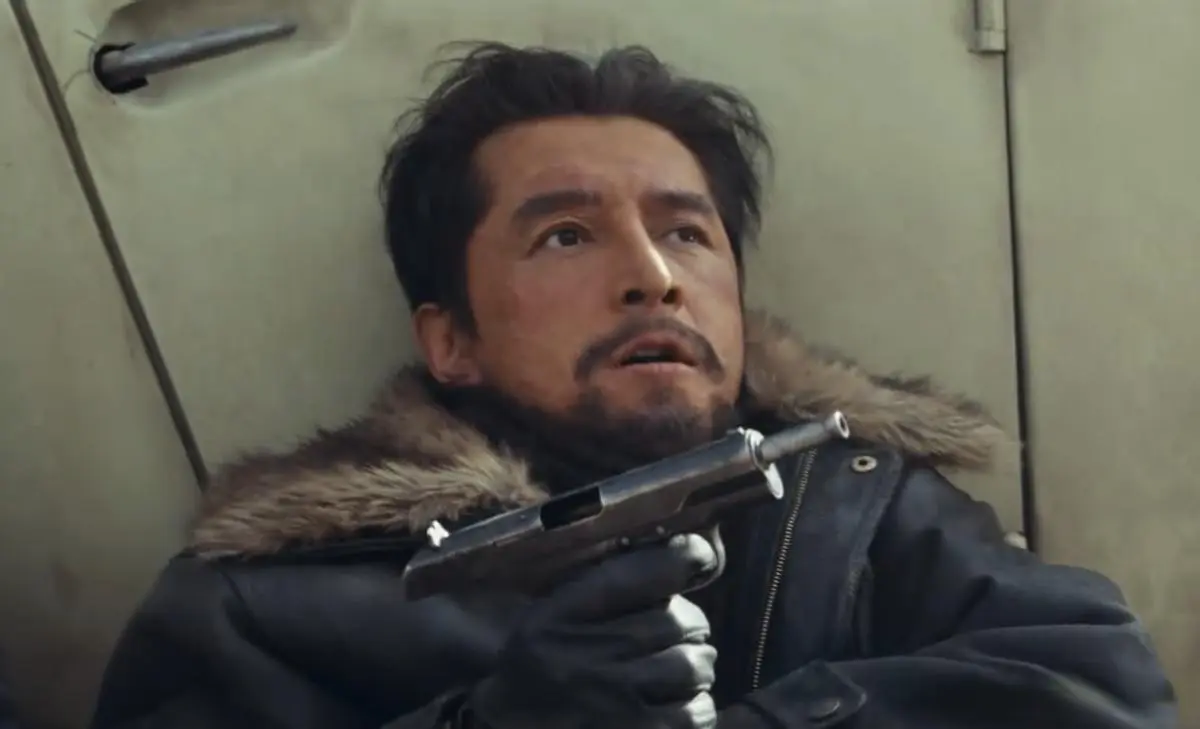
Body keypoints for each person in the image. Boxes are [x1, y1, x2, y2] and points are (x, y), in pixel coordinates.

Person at [88, 42, 1177, 729]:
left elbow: (1101, 690)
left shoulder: (854, 505)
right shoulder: (269, 601)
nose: (653, 277)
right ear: (451, 339)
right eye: (566, 235)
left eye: (687, 233)